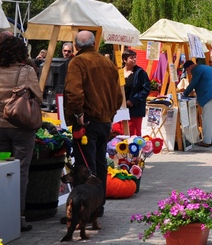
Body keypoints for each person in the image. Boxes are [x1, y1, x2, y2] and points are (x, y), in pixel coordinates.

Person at [63, 31, 124, 220]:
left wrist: (78, 116)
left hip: (87, 121)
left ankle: (84, 211)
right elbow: (118, 95)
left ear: (76, 46)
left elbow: (74, 92)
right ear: (94, 44)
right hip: (104, 120)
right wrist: (110, 114)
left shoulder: (78, 62)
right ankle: (98, 206)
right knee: (99, 164)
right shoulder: (108, 63)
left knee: (85, 168)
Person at [0, 35, 43, 233]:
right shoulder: (27, 71)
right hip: (21, 129)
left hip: (0, 128)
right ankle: (17, 218)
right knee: (19, 171)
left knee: (1, 170)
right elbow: (38, 95)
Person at [182, 60, 212, 147]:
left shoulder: (196, 70)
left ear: (190, 67)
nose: (188, 73)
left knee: (207, 118)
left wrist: (184, 94)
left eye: (187, 70)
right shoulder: (206, 67)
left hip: (209, 94)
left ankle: (206, 141)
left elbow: (193, 83)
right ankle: (211, 140)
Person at [119, 49, 150, 136]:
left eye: (135, 58)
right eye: (131, 58)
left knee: (134, 133)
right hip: (120, 108)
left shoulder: (140, 73)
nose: (134, 60)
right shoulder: (119, 72)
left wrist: (133, 100)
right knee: (120, 132)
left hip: (134, 109)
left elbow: (146, 89)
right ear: (125, 60)